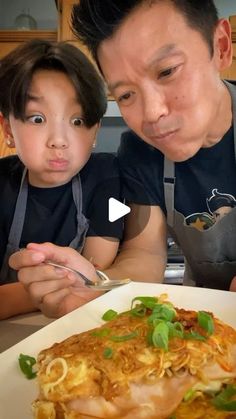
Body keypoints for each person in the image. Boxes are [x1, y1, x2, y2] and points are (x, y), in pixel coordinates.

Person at [10, 0, 236, 318]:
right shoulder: (140, 152)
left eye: (167, 71)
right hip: (205, 324)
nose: (153, 113)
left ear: (221, 48)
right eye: (127, 94)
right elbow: (145, 254)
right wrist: (93, 285)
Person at [0, 39, 124, 319]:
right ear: (8, 128)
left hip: (80, 325)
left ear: (95, 132)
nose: (59, 141)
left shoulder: (107, 176)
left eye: (77, 121)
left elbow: (95, 272)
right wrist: (70, 283)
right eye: (37, 119)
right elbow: (82, 281)